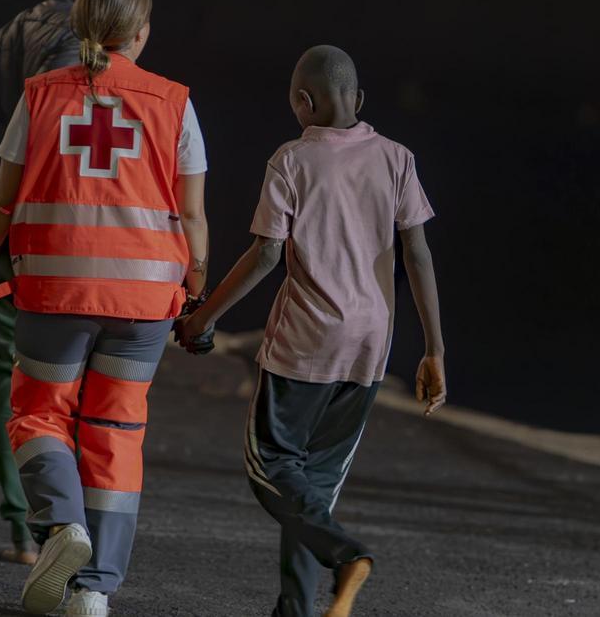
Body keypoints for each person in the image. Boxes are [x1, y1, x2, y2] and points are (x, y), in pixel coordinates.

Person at [0, 0, 210, 617]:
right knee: (116, 430)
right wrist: (197, 296)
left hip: (54, 291)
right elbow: (192, 214)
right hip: (145, 300)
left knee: (38, 413)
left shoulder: (41, 96)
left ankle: (63, 527)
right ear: (141, 33)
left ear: (81, 26)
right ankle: (94, 590)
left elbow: (2, 198)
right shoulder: (174, 102)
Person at [177, 45, 447, 617]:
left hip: (304, 345)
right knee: (312, 493)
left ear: (303, 102)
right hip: (371, 348)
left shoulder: (292, 161)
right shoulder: (397, 158)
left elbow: (266, 255)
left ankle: (347, 556)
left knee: (271, 468)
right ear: (360, 101)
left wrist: (203, 317)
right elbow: (417, 256)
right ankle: (295, 610)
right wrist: (434, 351)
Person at [0, 0, 128, 566]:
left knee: (13, 384)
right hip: (59, 249)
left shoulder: (8, 34)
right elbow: (76, 161)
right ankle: (58, 529)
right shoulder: (78, 48)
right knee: (70, 390)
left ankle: (24, 526)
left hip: (6, 245)